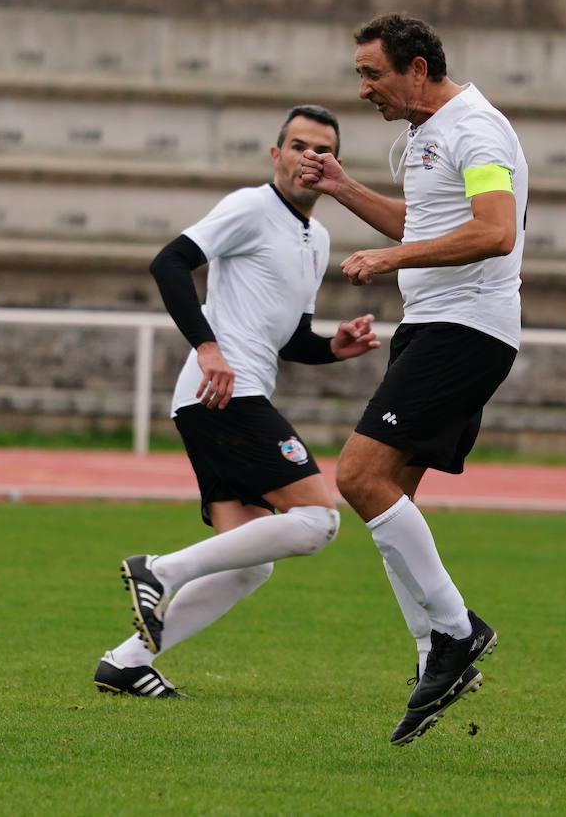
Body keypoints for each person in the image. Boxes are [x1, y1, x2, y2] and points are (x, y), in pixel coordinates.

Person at [94, 104, 380, 698]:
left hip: (222, 396)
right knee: (319, 521)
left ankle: (125, 662)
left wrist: (335, 348)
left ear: (335, 165)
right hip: (222, 393)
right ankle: (160, 570)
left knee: (249, 563)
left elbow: (291, 337)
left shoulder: (317, 237)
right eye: (297, 146)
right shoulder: (250, 206)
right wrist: (207, 347)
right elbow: (168, 262)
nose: (309, 157)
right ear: (276, 156)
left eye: (321, 150)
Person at [298, 14, 529, 745]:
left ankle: (457, 636)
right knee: (390, 503)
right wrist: (341, 186)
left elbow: (496, 230)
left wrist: (387, 263)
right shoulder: (428, 136)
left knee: (359, 478)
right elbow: (420, 223)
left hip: (464, 332)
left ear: (419, 69)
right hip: (438, 329)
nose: (363, 89)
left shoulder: (476, 131)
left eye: (373, 74)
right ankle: (434, 658)